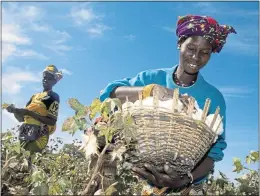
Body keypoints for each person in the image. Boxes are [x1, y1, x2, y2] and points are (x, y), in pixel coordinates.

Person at [98, 15, 236, 195]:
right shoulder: (151, 78)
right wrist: (151, 90)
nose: (196, 56)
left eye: (205, 52)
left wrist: (186, 178)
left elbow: (216, 150)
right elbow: (109, 94)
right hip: (145, 180)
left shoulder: (214, 98)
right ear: (180, 44)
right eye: (191, 48)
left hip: (189, 186)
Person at [6, 65, 63, 154]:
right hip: (25, 131)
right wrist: (15, 111)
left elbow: (52, 121)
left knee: (29, 159)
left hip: (39, 134)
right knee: (17, 159)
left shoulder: (53, 97)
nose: (45, 80)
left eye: (49, 78)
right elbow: (21, 119)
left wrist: (29, 113)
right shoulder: (34, 97)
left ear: (54, 81)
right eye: (44, 77)